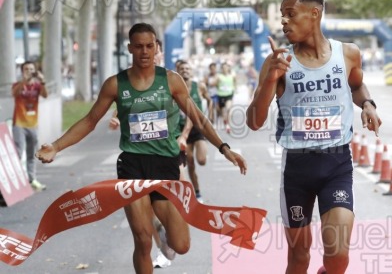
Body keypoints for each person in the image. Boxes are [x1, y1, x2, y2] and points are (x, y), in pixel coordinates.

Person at [36, 23, 246, 274]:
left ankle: (158, 225)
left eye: (150, 46)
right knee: (143, 240)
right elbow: (90, 121)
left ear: (156, 47)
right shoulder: (115, 84)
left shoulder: (171, 80)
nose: (145, 52)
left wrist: (224, 148)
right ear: (130, 48)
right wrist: (56, 146)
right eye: (139, 46)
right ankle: (149, 227)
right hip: (133, 165)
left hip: (166, 165)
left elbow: (198, 117)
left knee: (182, 244)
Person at [246, 0, 381, 274]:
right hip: (297, 168)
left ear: (315, 14)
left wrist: (368, 104)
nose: (283, 21)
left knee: (337, 257)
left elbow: (357, 86)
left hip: (337, 165)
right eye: (282, 15)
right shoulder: (278, 62)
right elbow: (254, 121)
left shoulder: (348, 54)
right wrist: (271, 79)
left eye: (290, 14)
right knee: (299, 259)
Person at [176, 60, 213, 202]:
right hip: (181, 130)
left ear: (191, 71)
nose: (185, 71)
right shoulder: (174, 87)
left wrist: (208, 117)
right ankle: (197, 192)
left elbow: (209, 100)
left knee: (202, 160)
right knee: (190, 163)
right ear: (177, 71)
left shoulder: (199, 86)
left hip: (197, 128)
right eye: (182, 69)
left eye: (187, 68)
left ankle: (202, 150)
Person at [12, 61, 48, 191]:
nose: (29, 71)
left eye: (31, 69)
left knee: (32, 153)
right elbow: (14, 94)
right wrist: (23, 82)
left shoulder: (38, 86)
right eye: (26, 69)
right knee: (18, 152)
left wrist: (42, 81)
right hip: (19, 124)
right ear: (22, 71)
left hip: (33, 124)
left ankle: (31, 179)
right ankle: (15, 182)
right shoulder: (17, 85)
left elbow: (45, 95)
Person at [216, 63, 237, 133]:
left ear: (228, 68)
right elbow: (215, 84)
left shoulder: (232, 75)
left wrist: (234, 88)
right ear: (221, 69)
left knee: (228, 109)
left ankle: (228, 125)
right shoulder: (219, 76)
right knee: (223, 112)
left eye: (226, 67)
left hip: (229, 94)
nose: (225, 69)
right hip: (221, 95)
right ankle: (225, 122)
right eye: (223, 68)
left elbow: (235, 82)